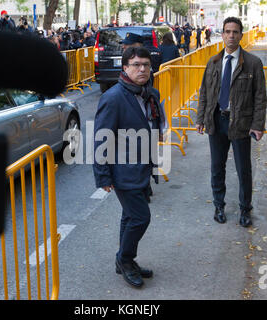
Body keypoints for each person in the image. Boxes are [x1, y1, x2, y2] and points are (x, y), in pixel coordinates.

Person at [93, 47, 166, 288]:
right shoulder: (113, 97)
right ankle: (124, 259)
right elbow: (102, 138)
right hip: (123, 171)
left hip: (143, 167)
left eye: (146, 64)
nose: (142, 68)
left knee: (129, 216)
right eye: (136, 64)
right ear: (125, 68)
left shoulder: (149, 93)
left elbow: (153, 123)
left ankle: (124, 260)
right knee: (140, 217)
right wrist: (103, 176)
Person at [195, 17, 267, 228]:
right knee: (217, 167)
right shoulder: (214, 62)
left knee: (243, 169)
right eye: (227, 31)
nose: (231, 35)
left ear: (241, 35)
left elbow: (260, 97)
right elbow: (204, 93)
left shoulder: (253, 63)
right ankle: (219, 205)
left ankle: (245, 209)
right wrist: (200, 118)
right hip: (216, 121)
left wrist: (257, 125)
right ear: (222, 34)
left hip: (241, 124)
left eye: (235, 32)